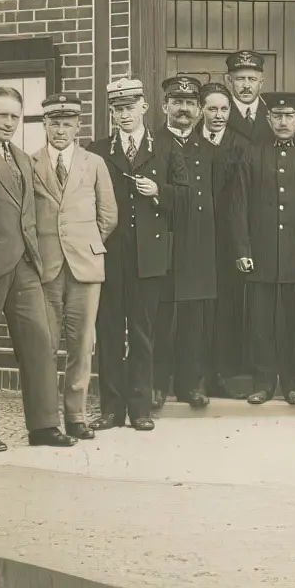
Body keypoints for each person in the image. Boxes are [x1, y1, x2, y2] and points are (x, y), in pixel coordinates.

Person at [0, 86, 74, 448]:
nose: (9, 122)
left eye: (15, 116)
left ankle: (43, 425)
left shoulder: (23, 158)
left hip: (25, 263)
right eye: (2, 115)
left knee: (41, 341)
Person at [230, 91, 295, 405]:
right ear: (268, 119)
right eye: (277, 116)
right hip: (261, 257)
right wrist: (243, 249)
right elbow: (239, 204)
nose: (283, 122)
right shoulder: (252, 154)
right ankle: (263, 381)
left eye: (289, 116)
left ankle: (294, 382)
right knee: (261, 322)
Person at [32, 92, 118, 440]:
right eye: (54, 123)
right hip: (46, 266)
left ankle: (76, 416)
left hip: (85, 265)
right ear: (45, 125)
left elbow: (108, 214)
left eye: (67, 123)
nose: (61, 130)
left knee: (82, 344)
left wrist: (86, 243)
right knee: (46, 343)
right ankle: (46, 419)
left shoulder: (93, 162)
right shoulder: (30, 162)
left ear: (78, 126)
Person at [89, 78, 172, 432]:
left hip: (148, 257)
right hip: (110, 254)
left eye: (129, 108)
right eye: (117, 109)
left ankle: (140, 408)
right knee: (108, 330)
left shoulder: (165, 149)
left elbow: (187, 198)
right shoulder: (98, 150)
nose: (124, 115)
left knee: (142, 332)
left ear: (144, 107)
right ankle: (111, 408)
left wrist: (159, 191)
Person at [151, 75, 222, 409]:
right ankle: (156, 384)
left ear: (198, 110)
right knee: (160, 318)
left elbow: (219, 199)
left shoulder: (208, 151)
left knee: (194, 321)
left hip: (198, 245)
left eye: (190, 103)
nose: (183, 109)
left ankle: (188, 386)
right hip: (162, 243)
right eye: (177, 102)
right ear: (165, 106)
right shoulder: (152, 144)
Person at [200, 82, 249, 396]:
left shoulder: (240, 145)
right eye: (212, 108)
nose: (219, 115)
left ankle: (221, 375)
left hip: (228, 242)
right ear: (202, 109)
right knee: (197, 309)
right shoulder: (189, 141)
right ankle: (196, 374)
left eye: (224, 109)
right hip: (196, 240)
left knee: (226, 308)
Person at [226, 50, 267, 143]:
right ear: (229, 81)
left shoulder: (273, 114)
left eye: (252, 79)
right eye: (240, 79)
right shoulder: (218, 114)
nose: (246, 85)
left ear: (261, 82)